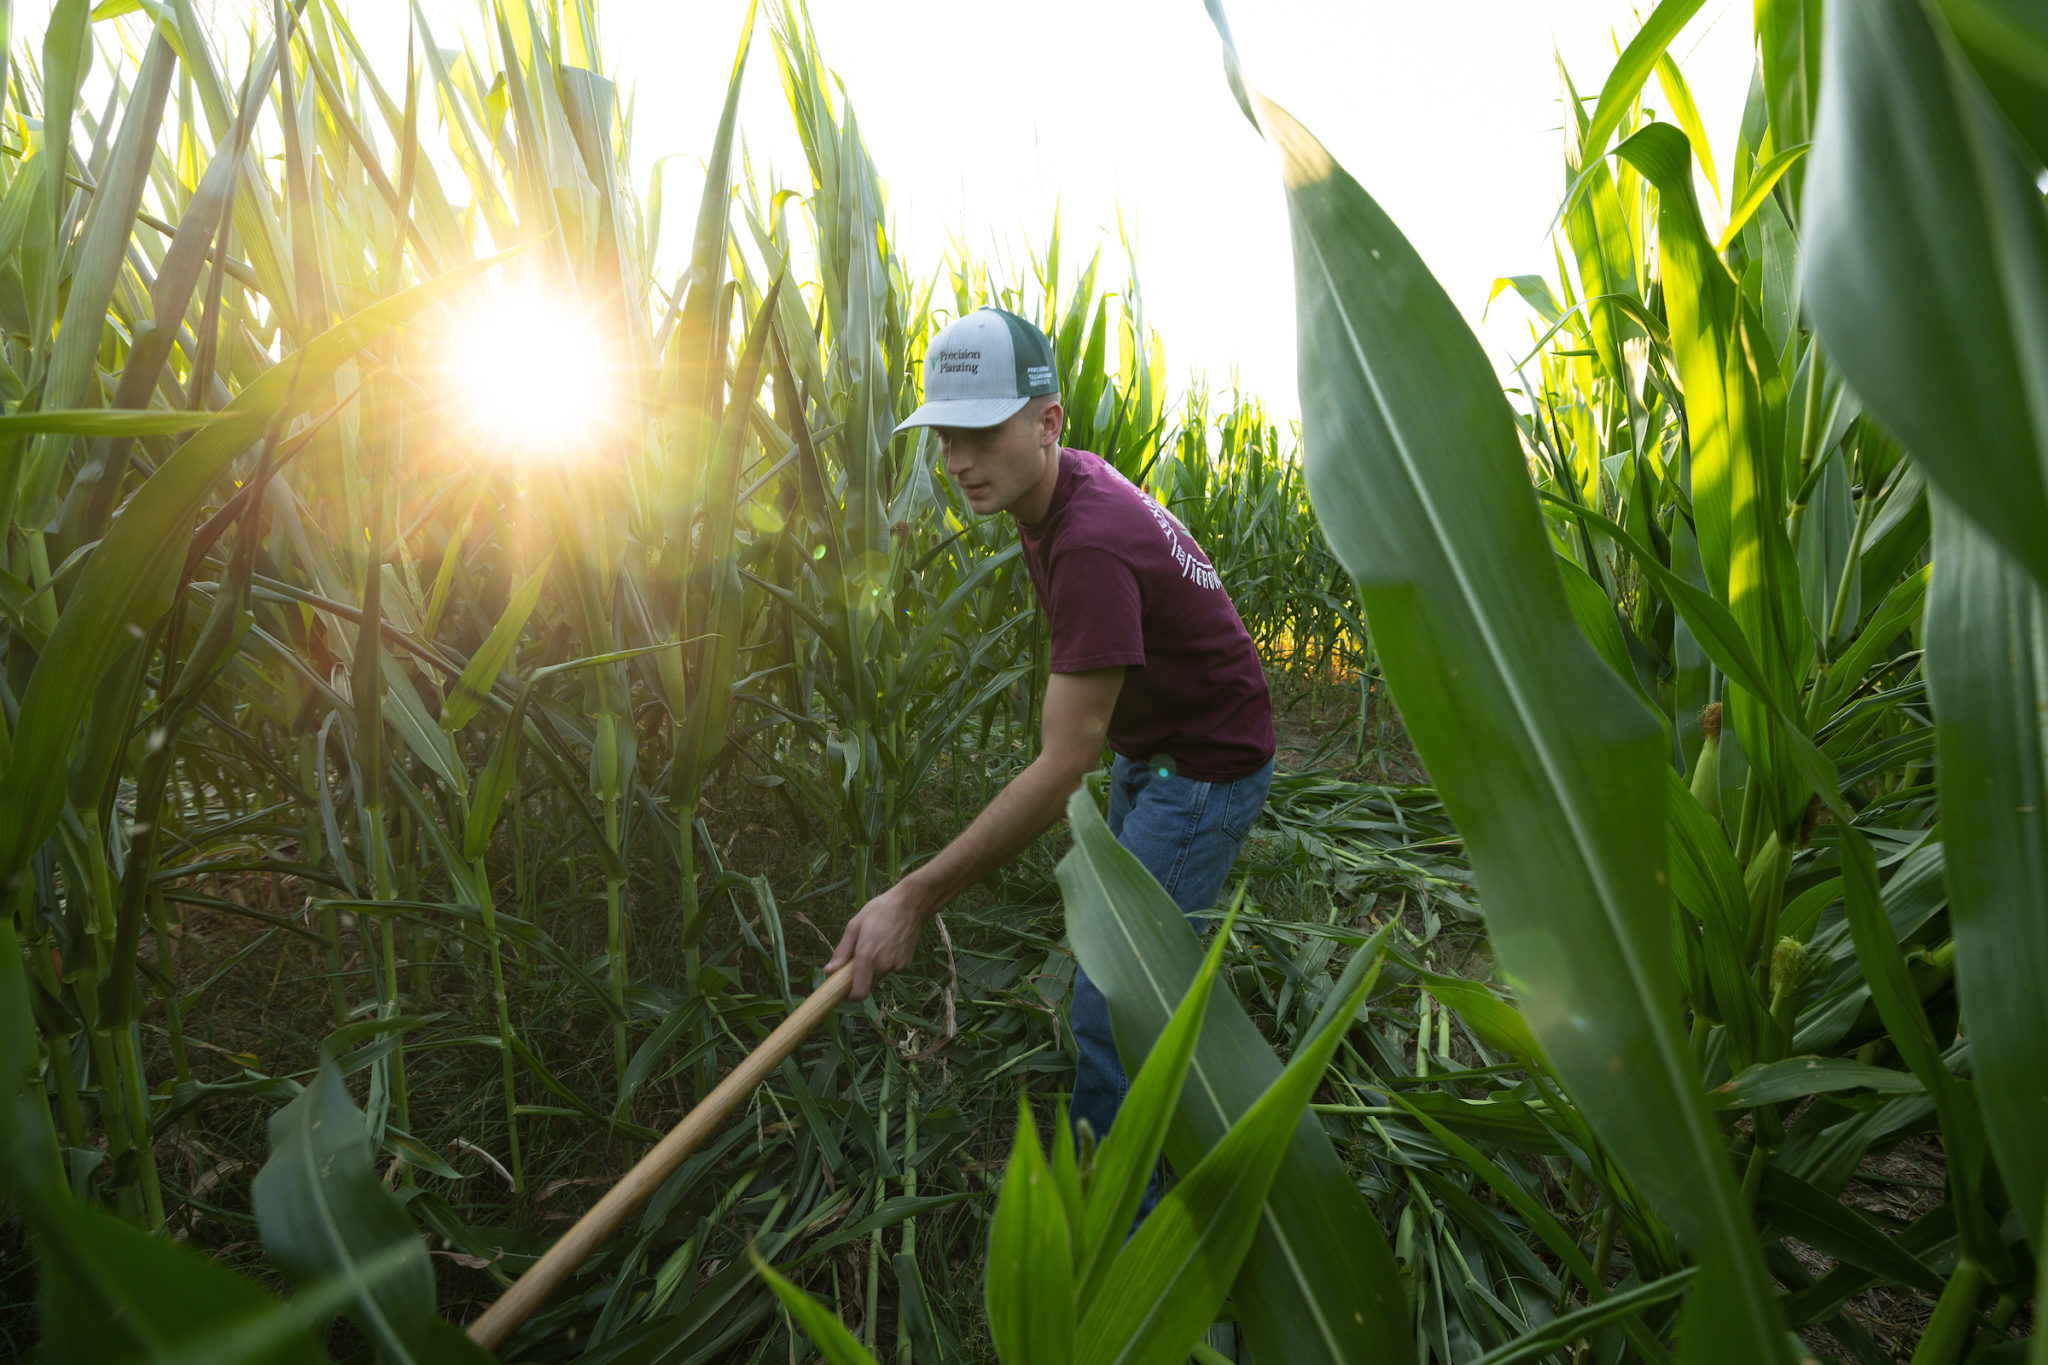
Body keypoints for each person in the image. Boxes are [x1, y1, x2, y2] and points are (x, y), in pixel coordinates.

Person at [825, 306, 1275, 1151]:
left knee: (1113, 992)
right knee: (1141, 953)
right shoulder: (1058, 488)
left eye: (981, 432)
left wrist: (916, 897)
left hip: (1206, 763)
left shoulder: (1090, 543)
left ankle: (1115, 1227)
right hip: (1158, 742)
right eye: (946, 436)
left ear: (1046, 421)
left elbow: (1064, 763)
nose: (957, 462)